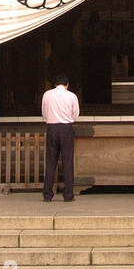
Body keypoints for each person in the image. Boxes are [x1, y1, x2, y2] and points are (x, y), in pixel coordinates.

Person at [41, 74, 79, 202]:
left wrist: (51, 119)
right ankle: (68, 195)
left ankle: (47, 194)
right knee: (67, 162)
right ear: (67, 85)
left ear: (55, 84)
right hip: (66, 128)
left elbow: (44, 113)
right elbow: (75, 114)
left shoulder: (47, 94)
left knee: (51, 162)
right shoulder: (72, 96)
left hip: (52, 128)